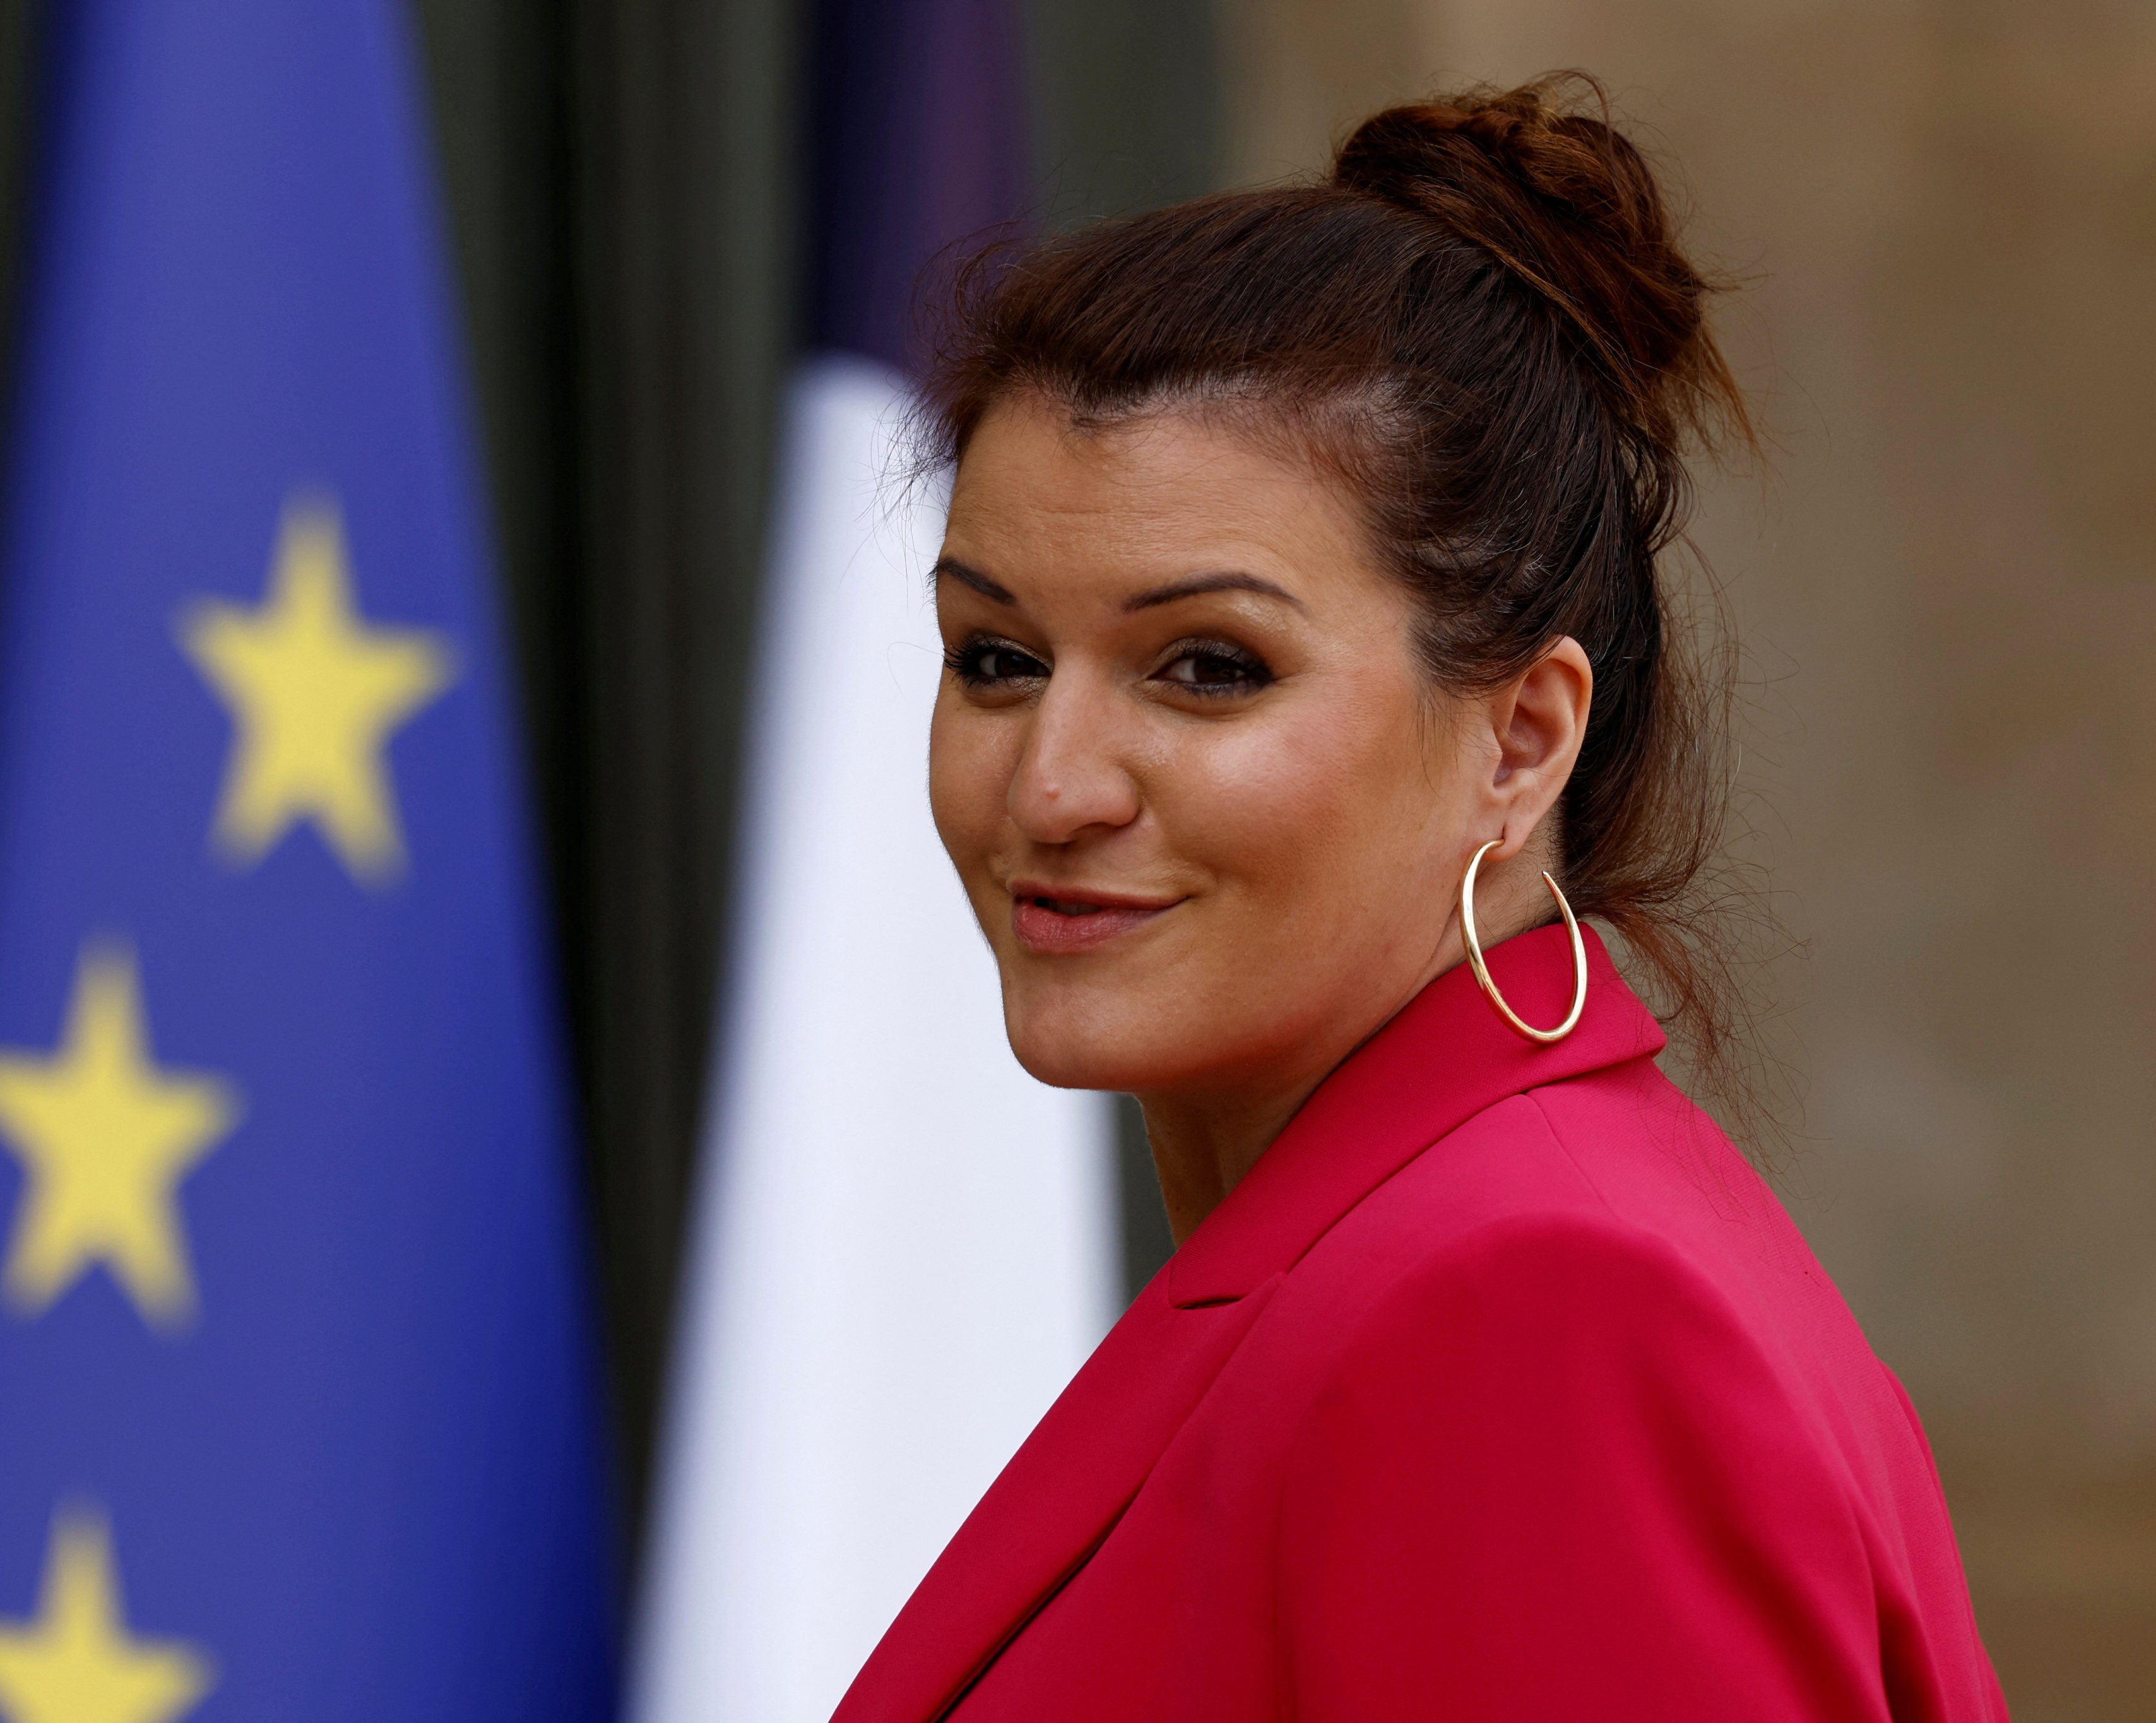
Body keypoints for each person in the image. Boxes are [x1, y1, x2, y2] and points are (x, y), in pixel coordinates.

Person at [832, 76, 2008, 1722]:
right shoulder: (1435, 1237)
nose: (1050, 784)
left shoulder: (1533, 1310)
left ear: (1522, 738)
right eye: (999, 660)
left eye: (1208, 668)